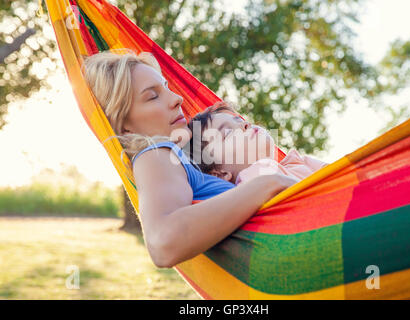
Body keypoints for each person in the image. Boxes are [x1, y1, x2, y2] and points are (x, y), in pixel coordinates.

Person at [82, 50, 297, 268]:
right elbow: (163, 244)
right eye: (153, 96)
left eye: (166, 87)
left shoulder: (185, 163)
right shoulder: (154, 154)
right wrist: (270, 183)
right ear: (124, 126)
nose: (177, 99)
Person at [186, 102, 328, 185]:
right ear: (220, 174)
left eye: (240, 121)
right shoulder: (252, 180)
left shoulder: (298, 162)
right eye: (228, 133)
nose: (245, 124)